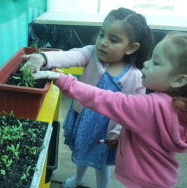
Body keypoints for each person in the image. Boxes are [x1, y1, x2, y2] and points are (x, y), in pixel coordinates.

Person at [32, 32, 187, 188]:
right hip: (163, 178)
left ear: (179, 79)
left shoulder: (151, 106)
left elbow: (106, 100)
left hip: (141, 182)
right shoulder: (178, 106)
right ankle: (78, 179)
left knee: (100, 164)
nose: (146, 63)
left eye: (156, 62)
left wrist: (64, 80)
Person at [22, 8, 153, 188]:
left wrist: (117, 133)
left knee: (100, 166)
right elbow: (70, 55)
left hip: (105, 131)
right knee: (80, 155)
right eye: (101, 34)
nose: (103, 43)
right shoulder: (91, 53)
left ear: (131, 47)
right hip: (83, 120)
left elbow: (133, 112)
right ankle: (78, 178)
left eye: (113, 40)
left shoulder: (136, 77)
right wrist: (44, 57)